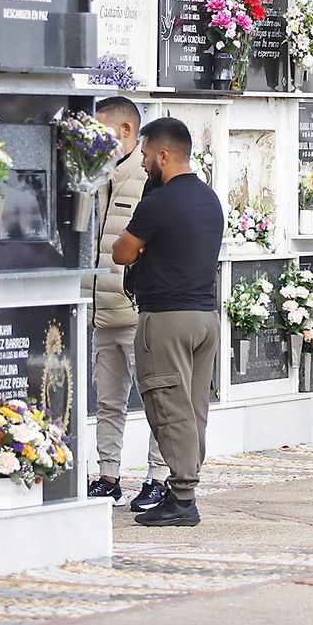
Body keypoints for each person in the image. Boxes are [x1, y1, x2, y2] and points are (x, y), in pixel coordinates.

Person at [111, 117, 224, 527]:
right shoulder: (210, 198)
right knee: (193, 409)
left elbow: (122, 253)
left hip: (167, 319)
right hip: (205, 317)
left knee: (166, 405)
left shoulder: (158, 201)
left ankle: (181, 499)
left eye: (144, 154)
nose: (141, 163)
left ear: (163, 154)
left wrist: (141, 249)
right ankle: (186, 488)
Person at [86, 97, 170, 512]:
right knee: (108, 401)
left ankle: (159, 477)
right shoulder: (94, 175)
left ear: (125, 131)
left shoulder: (148, 176)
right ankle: (108, 476)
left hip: (137, 310)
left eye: (101, 130)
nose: (94, 139)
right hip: (101, 310)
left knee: (155, 398)